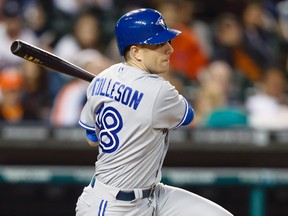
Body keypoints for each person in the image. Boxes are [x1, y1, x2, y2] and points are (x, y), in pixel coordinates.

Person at [76, 8, 233, 216]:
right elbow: (188, 115)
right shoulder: (159, 90)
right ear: (136, 52)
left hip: (153, 195)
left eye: (167, 42)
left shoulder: (102, 79)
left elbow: (92, 138)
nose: (169, 49)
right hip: (113, 206)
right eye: (158, 44)